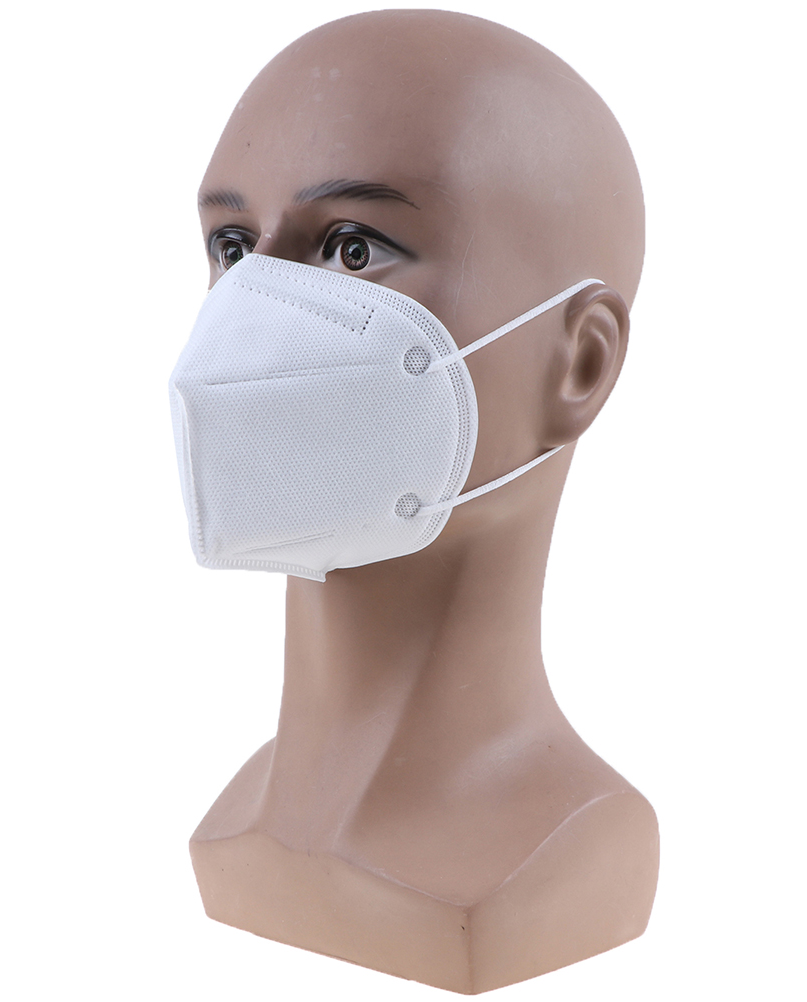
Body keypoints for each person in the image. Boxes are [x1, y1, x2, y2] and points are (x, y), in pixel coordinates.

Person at [180, 9, 657, 993]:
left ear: (578, 362)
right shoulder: (228, 819)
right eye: (232, 247)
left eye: (352, 249)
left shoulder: (566, 843)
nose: (251, 319)